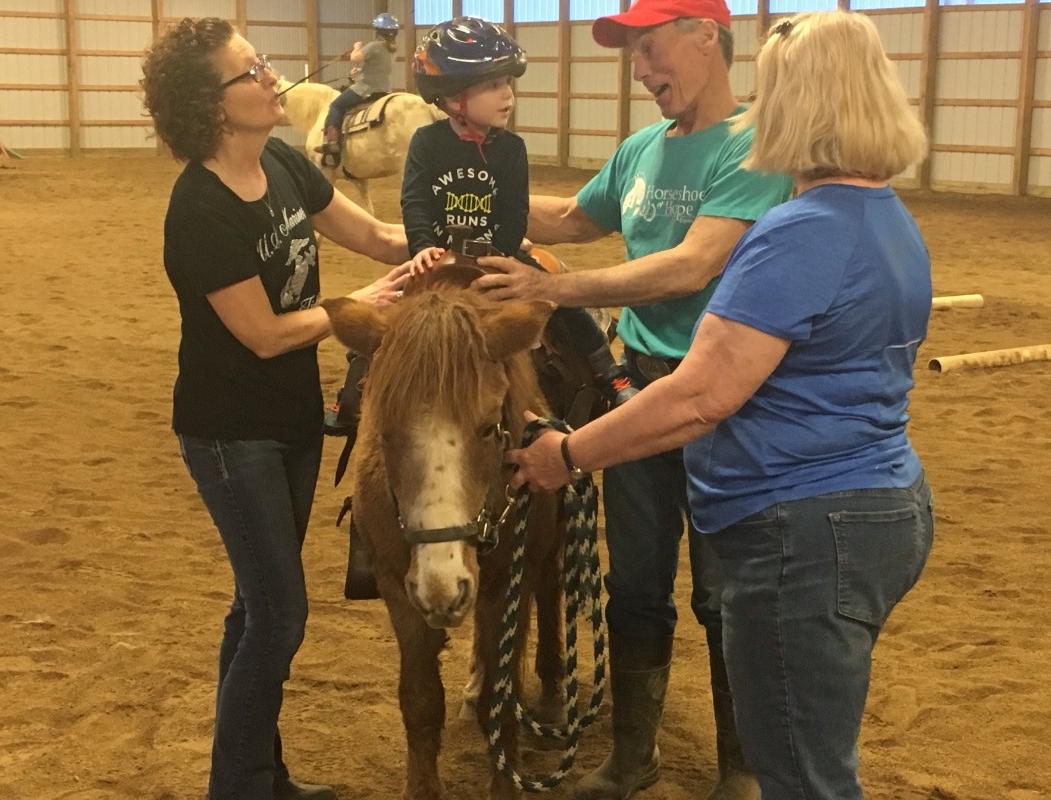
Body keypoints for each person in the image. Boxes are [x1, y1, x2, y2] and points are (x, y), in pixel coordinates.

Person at [505, 11, 935, 800]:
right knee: (808, 748)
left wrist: (566, 454)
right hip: (875, 500)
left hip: (801, 521)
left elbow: (702, 394)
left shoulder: (796, 234)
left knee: (804, 773)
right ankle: (662, 756)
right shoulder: (889, 221)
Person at [473, 0, 792, 798]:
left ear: (706, 38)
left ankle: (741, 769)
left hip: (728, 403)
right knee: (636, 585)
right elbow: (574, 217)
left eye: (650, 51)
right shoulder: (643, 149)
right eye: (633, 57)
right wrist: (457, 202)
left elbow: (692, 265)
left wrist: (555, 288)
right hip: (645, 389)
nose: (641, 72)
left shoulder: (757, 147)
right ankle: (632, 756)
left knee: (727, 593)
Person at [140, 17, 410, 800]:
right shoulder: (200, 207)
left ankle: (257, 777)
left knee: (255, 608)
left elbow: (373, 234)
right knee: (279, 616)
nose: (271, 79)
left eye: (264, 64)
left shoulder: (286, 165)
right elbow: (261, 334)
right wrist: (356, 308)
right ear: (212, 104)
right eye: (251, 71)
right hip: (231, 433)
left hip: (292, 423)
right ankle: (241, 787)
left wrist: (453, 236)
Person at [324, 16, 637, 440]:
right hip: (438, 254)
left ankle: (608, 371)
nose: (507, 95)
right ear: (453, 97)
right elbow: (415, 201)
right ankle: (353, 393)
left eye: (508, 83)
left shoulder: (512, 149)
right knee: (386, 317)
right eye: (493, 86)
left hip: (497, 253)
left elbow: (514, 209)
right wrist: (421, 248)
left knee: (557, 296)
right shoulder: (427, 143)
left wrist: (505, 251)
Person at [314, 12, 400, 165]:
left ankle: (332, 142)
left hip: (366, 89)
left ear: (378, 31)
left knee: (336, 105)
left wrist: (356, 47)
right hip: (384, 90)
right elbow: (379, 69)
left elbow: (355, 57)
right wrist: (359, 72)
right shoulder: (392, 50)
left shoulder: (374, 45)